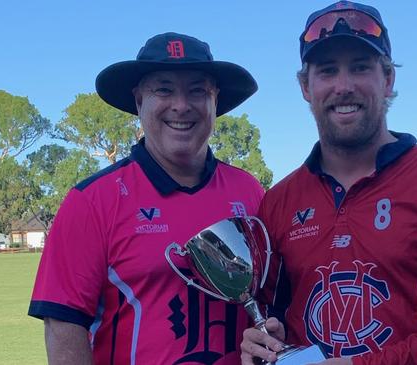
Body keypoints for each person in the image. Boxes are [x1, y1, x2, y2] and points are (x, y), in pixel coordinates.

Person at [240, 2, 417, 364]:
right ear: (305, 86)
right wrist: (262, 339)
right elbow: (272, 311)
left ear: (388, 78)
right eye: (327, 71)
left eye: (360, 68)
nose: (344, 86)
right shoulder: (279, 201)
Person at [28, 32, 264, 364]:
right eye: (164, 89)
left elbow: (269, 302)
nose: (181, 105)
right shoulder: (92, 200)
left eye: (198, 90)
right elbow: (63, 324)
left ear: (216, 101)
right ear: (140, 101)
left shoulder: (249, 192)